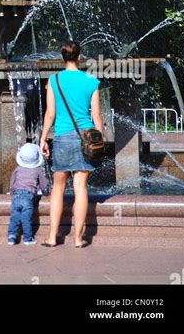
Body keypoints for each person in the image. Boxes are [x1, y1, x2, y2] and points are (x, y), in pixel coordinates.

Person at [39, 40, 104, 248]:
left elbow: (50, 114)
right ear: (80, 57)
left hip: (62, 138)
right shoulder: (91, 80)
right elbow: (96, 114)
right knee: (80, 187)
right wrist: (99, 137)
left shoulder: (54, 80)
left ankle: (51, 237)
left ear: (62, 57)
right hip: (86, 137)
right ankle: (77, 238)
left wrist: (42, 139)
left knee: (58, 188)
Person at [7, 142, 49, 245]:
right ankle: (28, 238)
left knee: (15, 217)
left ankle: (11, 237)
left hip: (16, 195)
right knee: (26, 218)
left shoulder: (17, 169)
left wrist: (12, 191)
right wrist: (46, 192)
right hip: (28, 196)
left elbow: (12, 181)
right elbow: (44, 185)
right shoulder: (38, 170)